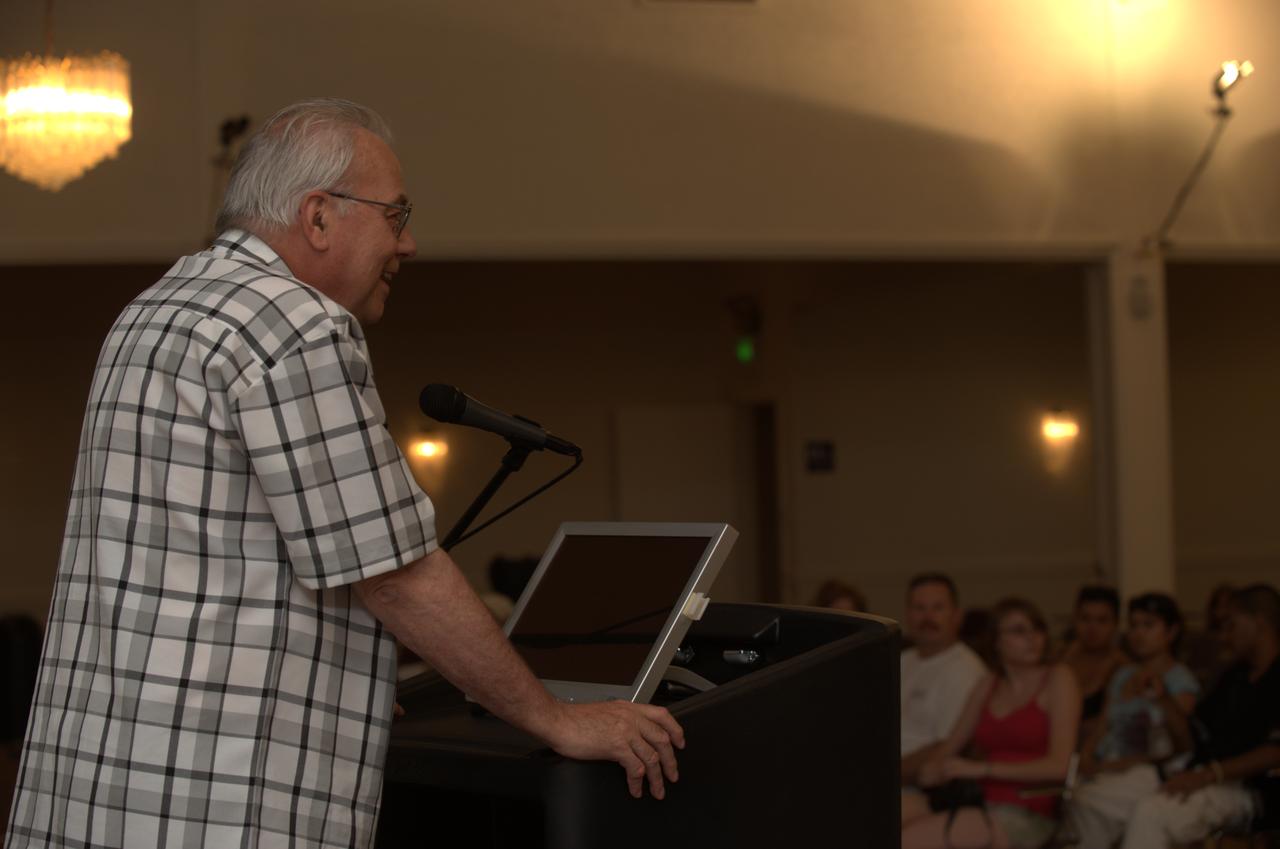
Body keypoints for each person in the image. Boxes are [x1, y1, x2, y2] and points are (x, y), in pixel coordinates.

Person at [5, 99, 683, 849]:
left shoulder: (157, 309)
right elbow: (396, 573)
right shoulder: (294, 323)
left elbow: (208, 567)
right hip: (216, 806)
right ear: (319, 216)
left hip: (102, 785)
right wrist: (556, 717)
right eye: (396, 215)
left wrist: (338, 669)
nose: (411, 244)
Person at [902, 598, 1080, 849]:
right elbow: (952, 744)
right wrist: (933, 768)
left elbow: (1060, 767)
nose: (1033, 638)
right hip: (974, 799)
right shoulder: (988, 684)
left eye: (1037, 628)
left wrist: (982, 769)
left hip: (1024, 807)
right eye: (1019, 631)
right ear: (996, 641)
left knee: (908, 841)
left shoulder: (1058, 678)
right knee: (882, 816)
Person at [1118, 583, 1280, 849]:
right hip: (1199, 771)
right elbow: (1195, 733)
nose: (1224, 637)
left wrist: (1208, 775)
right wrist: (1163, 698)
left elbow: (1275, 751)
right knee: (1100, 799)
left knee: (1153, 812)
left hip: (1250, 789)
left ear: (1259, 623)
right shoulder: (1235, 676)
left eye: (1232, 625)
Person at [1067, 593, 1200, 849]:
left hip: (1149, 772)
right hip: (1106, 768)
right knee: (1070, 799)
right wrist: (1085, 756)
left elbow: (1182, 744)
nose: (1139, 633)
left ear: (1171, 631)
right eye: (1134, 625)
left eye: (1148, 625)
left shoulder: (1180, 681)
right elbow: (1102, 725)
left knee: (1086, 801)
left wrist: (1116, 766)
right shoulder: (1123, 674)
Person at [899, 573, 987, 787]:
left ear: (957, 615)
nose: (927, 617)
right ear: (908, 615)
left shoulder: (965, 670)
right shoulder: (902, 660)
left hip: (919, 786)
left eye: (937, 608)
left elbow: (948, 748)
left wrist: (887, 774)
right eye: (919, 608)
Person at [1059, 585, 1128, 744]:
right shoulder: (1058, 659)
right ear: (1075, 619)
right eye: (1085, 619)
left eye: (1102, 620)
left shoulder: (1122, 668)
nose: (1092, 628)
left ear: (1115, 624)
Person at [1182, 581, 1237, 691]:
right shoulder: (1202, 640)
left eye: (1228, 606)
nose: (1223, 612)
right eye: (1219, 606)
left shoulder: (1242, 641)